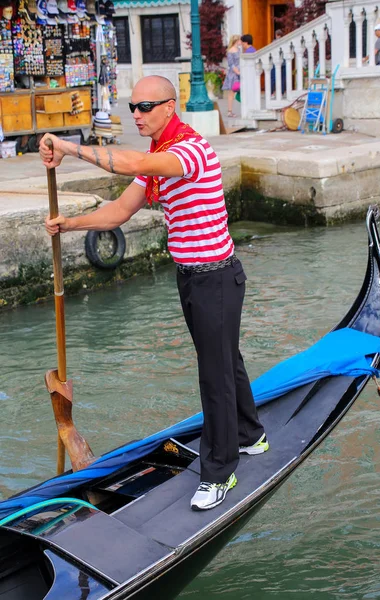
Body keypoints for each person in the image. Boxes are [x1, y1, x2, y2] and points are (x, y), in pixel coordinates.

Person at [39, 75, 269, 512]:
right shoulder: (158, 158)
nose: (138, 115)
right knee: (224, 360)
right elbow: (119, 211)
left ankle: (221, 471)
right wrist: (69, 225)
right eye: (133, 109)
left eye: (146, 107)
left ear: (171, 106)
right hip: (193, 277)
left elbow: (126, 164)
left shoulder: (188, 152)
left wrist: (70, 148)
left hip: (216, 277)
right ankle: (250, 435)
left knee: (214, 373)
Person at [222, 34, 241, 118]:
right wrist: (237, 72)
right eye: (240, 40)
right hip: (233, 74)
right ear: (236, 41)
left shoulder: (239, 49)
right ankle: (229, 111)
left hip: (239, 72)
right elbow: (231, 64)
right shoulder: (230, 51)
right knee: (231, 93)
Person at [271, 29, 286, 97]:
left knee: (273, 78)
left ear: (276, 35)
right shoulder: (285, 42)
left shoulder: (274, 42)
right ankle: (281, 92)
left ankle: (272, 92)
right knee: (282, 78)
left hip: (275, 62)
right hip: (283, 62)